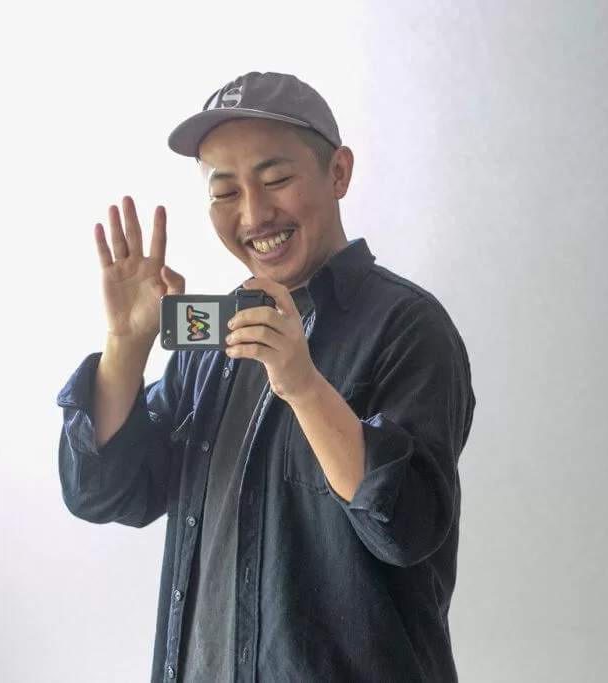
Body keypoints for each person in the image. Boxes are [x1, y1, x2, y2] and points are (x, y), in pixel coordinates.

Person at [56, 71, 476, 682]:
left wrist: (304, 386)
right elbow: (107, 494)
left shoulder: (407, 326)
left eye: (276, 179)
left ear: (338, 172)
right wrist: (125, 348)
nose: (254, 214)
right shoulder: (212, 338)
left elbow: (405, 529)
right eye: (225, 192)